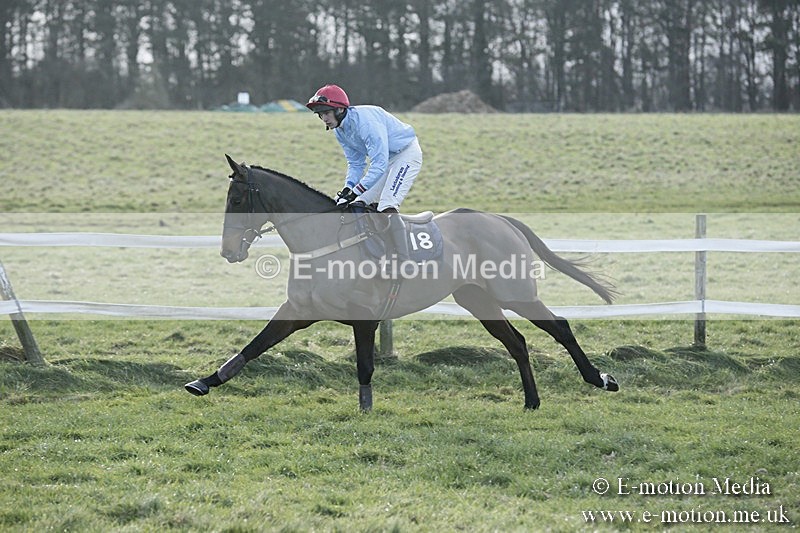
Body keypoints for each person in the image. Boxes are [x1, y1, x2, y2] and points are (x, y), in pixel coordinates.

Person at [306, 84, 423, 264]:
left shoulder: (366, 123)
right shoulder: (340, 131)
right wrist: (348, 188)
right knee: (358, 204)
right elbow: (356, 163)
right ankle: (375, 252)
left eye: (326, 113)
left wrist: (357, 189)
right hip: (385, 159)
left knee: (387, 205)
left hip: (406, 154)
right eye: (320, 114)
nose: (324, 118)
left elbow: (379, 163)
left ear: (339, 109)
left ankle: (403, 260)